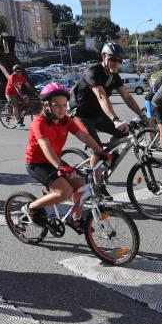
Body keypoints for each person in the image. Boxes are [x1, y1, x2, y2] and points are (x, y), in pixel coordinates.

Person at [22, 82, 109, 230]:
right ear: (47, 105)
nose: (62, 109)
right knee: (65, 191)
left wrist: (100, 151)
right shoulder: (39, 123)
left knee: (81, 186)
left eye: (65, 105)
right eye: (57, 105)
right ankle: (30, 207)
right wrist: (60, 166)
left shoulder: (65, 120)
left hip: (54, 160)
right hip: (37, 163)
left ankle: (76, 218)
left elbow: (83, 135)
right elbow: (45, 146)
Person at [70, 42, 147, 199]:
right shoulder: (92, 72)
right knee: (97, 150)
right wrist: (116, 119)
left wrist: (142, 115)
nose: (117, 64)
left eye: (120, 61)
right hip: (81, 115)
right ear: (104, 57)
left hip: (98, 115)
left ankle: (106, 156)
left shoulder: (114, 76)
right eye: (113, 60)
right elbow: (101, 96)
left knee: (122, 133)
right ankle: (97, 186)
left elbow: (127, 97)